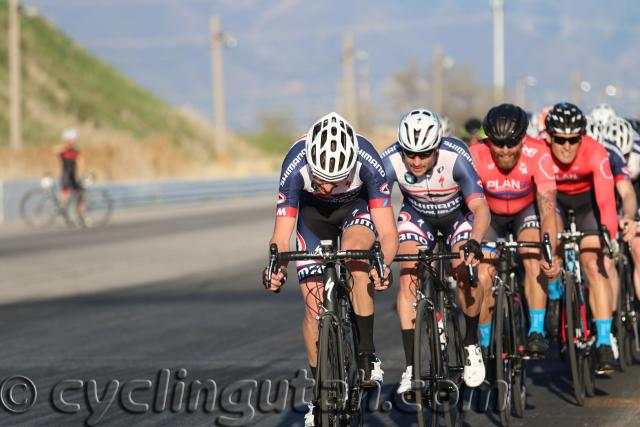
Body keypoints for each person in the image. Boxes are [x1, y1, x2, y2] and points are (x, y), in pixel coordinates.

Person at [263, 112, 398, 426]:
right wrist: (276, 266)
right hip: (313, 220)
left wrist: (383, 264)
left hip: (355, 212)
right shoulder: (295, 163)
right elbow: (282, 235)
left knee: (358, 257)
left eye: (334, 180)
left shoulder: (368, 160)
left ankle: (366, 353)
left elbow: (388, 233)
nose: (325, 186)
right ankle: (321, 391)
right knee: (313, 308)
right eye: (320, 177)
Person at [380, 109, 491, 394]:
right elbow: (374, 207)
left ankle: (469, 345)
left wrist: (475, 242)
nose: (416, 161)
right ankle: (411, 367)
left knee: (465, 270)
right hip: (417, 217)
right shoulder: (391, 160)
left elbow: (480, 207)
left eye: (424, 154)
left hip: (458, 216)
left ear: (437, 147)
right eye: (410, 154)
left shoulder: (455, 156)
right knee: (407, 277)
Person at [471, 104, 561, 358]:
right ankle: (485, 341)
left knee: (533, 254)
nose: (505, 150)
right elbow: (467, 207)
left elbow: (547, 210)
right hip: (490, 214)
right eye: (498, 144)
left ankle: (536, 330)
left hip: (525, 212)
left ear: (523, 137)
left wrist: (549, 251)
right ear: (488, 140)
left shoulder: (538, 153)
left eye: (512, 143)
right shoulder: (476, 154)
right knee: (483, 274)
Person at [544, 102, 619, 374]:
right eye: (560, 139)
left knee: (594, 267)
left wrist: (609, 236)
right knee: (550, 245)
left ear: (583, 137)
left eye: (573, 139)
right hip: (557, 205)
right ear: (549, 136)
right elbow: (544, 208)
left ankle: (603, 342)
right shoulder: (542, 153)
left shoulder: (595, 152)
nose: (566, 146)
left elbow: (607, 201)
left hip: (588, 206)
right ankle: (554, 294)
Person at [54, 128, 86, 219]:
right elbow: (54, 150)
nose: (75, 141)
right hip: (65, 176)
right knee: (65, 195)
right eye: (74, 139)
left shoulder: (75, 151)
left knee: (81, 195)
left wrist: (83, 173)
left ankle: (81, 215)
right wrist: (66, 145)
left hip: (73, 176)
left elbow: (81, 162)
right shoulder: (64, 149)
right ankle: (63, 209)